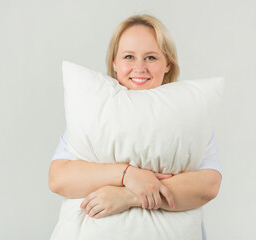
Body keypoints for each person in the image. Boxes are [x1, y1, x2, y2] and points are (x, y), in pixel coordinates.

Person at [49, 14, 222, 240]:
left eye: (151, 57)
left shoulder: (185, 114)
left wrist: (128, 197)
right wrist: (126, 175)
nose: (139, 67)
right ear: (114, 62)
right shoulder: (94, 111)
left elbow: (208, 184)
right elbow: (59, 178)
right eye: (129, 57)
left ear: (167, 63)